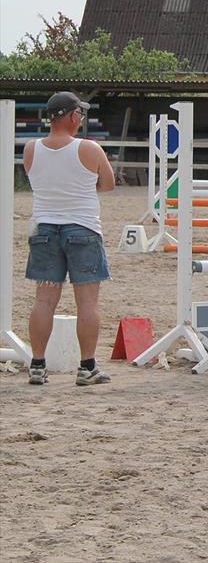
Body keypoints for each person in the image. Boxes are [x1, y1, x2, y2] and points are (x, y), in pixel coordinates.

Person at [24, 92, 116, 386]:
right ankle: (87, 366)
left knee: (44, 300)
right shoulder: (89, 149)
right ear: (73, 116)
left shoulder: (31, 148)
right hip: (83, 229)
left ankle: (38, 364)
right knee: (87, 303)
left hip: (45, 230)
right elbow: (108, 184)